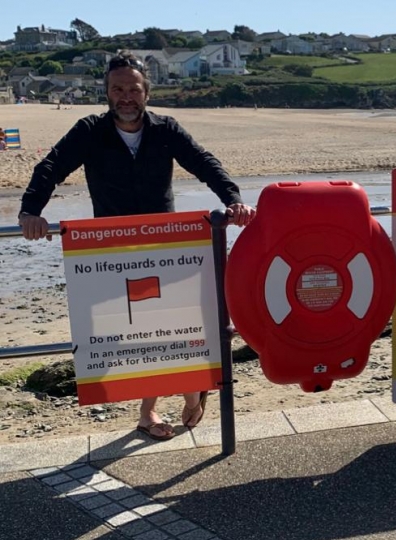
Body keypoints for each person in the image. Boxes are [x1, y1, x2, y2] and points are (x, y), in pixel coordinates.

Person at [18, 52, 257, 442]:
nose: (126, 97)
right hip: (112, 253)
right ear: (107, 93)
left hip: (168, 247)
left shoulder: (166, 129)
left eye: (133, 89)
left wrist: (232, 200)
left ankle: (187, 394)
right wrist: (31, 211)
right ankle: (152, 411)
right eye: (117, 90)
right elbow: (51, 166)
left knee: (176, 328)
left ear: (146, 92)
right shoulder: (89, 130)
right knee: (138, 334)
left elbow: (204, 162)